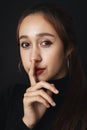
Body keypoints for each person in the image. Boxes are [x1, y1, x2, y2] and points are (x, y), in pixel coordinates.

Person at [0, 2, 87, 130]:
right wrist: (27, 122)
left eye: (45, 43)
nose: (34, 57)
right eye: (25, 44)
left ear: (68, 47)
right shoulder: (9, 98)